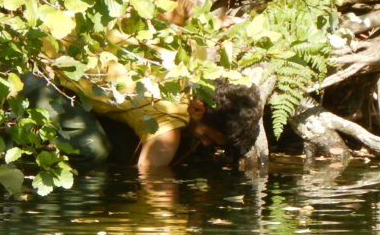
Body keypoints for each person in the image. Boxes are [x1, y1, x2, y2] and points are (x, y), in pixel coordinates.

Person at [60, 64, 264, 172]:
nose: (205, 143)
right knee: (91, 150)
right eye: (208, 136)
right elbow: (150, 182)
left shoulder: (189, 60)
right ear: (199, 108)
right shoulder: (169, 121)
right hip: (42, 72)